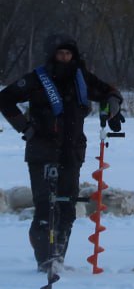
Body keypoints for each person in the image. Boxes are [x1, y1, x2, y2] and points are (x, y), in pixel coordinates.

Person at [0, 34, 124, 274]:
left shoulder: (82, 78)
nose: (65, 58)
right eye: (60, 54)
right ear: (52, 55)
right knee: (46, 206)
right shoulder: (37, 79)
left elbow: (111, 92)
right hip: (42, 151)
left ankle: (58, 255)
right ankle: (45, 260)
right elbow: (5, 99)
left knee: (67, 208)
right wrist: (24, 127)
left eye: (69, 54)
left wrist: (112, 106)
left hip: (72, 152)